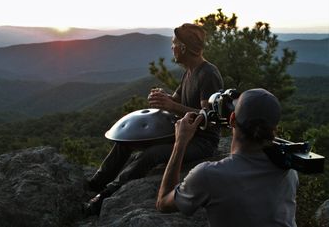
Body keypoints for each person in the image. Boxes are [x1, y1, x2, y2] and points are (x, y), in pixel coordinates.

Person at [83, 23, 224, 216]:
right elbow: (175, 99)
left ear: (183, 47)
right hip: (181, 133)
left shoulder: (207, 74)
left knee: (152, 154)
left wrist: (173, 106)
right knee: (127, 140)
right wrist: (163, 98)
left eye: (174, 43)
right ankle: (97, 183)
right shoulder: (190, 72)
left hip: (202, 141)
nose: (172, 47)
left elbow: (208, 117)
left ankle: (107, 194)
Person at [156, 88, 298, 227]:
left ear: (232, 119)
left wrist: (180, 143)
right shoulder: (289, 169)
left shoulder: (209, 175)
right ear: (274, 129)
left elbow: (163, 203)